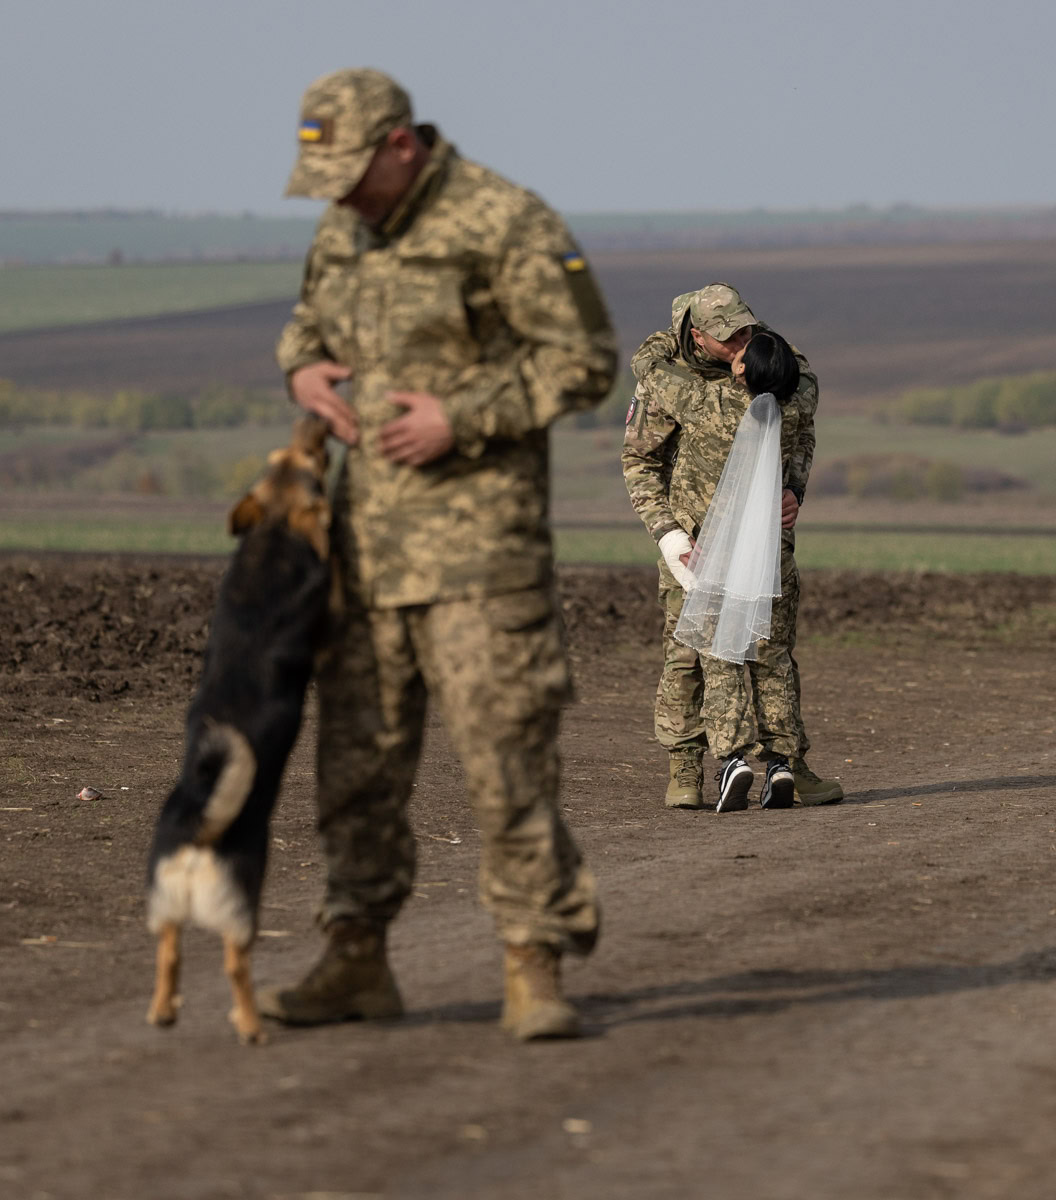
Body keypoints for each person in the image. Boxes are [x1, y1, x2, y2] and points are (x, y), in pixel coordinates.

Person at [259, 67, 615, 1040]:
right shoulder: (345, 226)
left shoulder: (506, 220)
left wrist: (463, 416)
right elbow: (309, 321)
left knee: (507, 763)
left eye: (348, 170)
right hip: (366, 553)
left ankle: (532, 967)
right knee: (355, 771)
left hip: (479, 557)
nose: (334, 193)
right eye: (321, 175)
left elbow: (584, 360)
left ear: (401, 145)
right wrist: (302, 368)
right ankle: (356, 960)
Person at [622, 284, 845, 812]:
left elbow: (801, 439)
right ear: (697, 336)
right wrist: (670, 536)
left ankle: (775, 762)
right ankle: (686, 766)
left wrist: (794, 489)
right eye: (729, 338)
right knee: (687, 657)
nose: (742, 343)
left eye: (747, 331)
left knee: (760, 649)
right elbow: (639, 463)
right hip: (691, 542)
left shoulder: (719, 384)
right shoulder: (790, 376)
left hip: (750, 541)